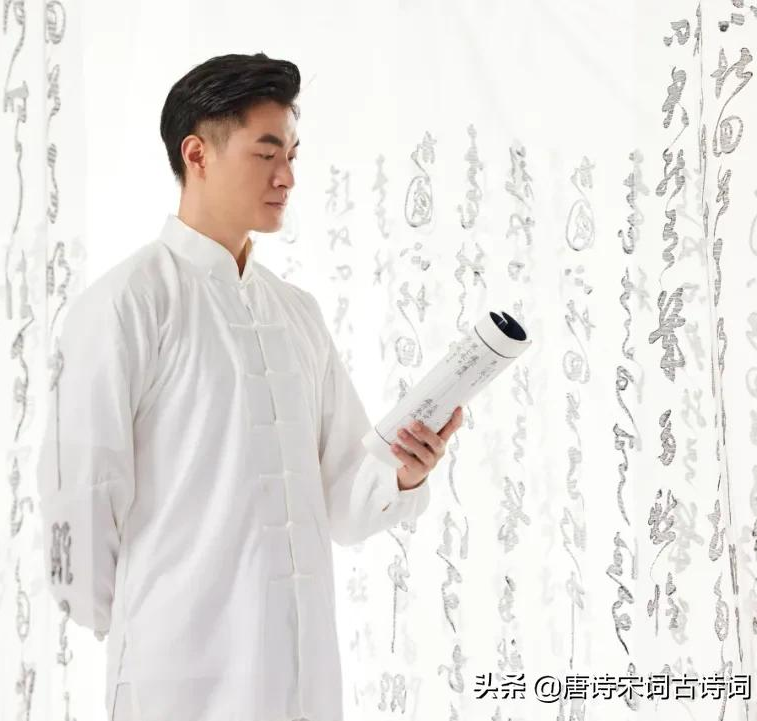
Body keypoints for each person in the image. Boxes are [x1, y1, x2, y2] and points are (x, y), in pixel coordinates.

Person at [37, 52, 463, 721]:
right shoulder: (126, 304)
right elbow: (81, 500)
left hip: (301, 674)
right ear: (197, 154)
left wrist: (404, 472)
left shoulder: (295, 313)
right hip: (176, 679)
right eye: (266, 154)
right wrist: (142, 626)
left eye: (291, 154)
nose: (287, 176)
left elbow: (344, 498)